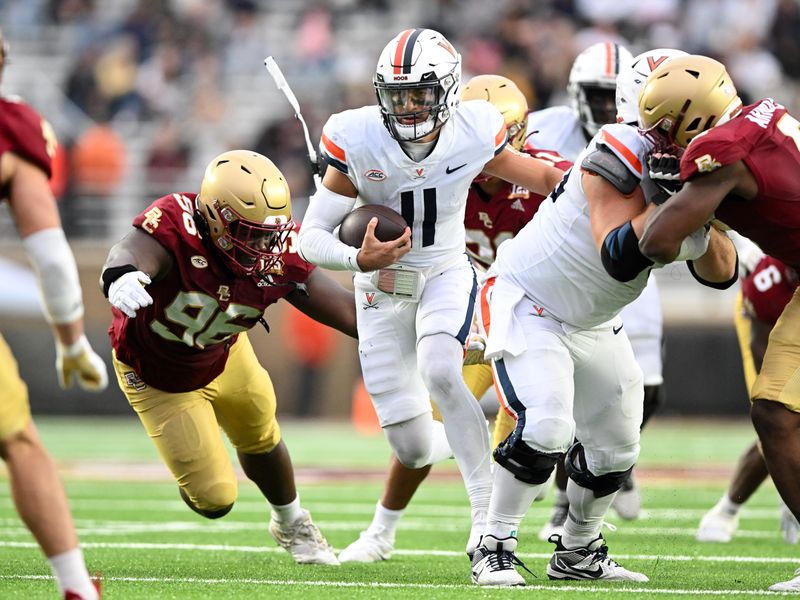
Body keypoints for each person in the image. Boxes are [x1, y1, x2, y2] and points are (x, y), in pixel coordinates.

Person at [298, 28, 564, 560]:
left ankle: (486, 520)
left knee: (442, 369)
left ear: (447, 89)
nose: (409, 106)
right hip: (379, 288)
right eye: (398, 96)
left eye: (420, 93)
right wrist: (357, 259)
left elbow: (540, 175)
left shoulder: (474, 128)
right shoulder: (357, 137)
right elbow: (309, 237)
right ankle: (486, 454)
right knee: (412, 446)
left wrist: (607, 190)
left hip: (444, 270)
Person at [469, 61, 738, 585]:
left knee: (618, 444)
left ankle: (577, 551)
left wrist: (698, 212)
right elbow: (616, 251)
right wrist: (674, 207)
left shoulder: (707, 170)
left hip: (596, 319)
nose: (715, 133)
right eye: (703, 121)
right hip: (533, 300)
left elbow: (721, 273)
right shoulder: (615, 147)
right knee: (546, 427)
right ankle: (492, 543)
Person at [100, 149, 357, 566]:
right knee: (215, 499)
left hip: (225, 353)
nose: (261, 245)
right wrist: (120, 275)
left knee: (262, 432)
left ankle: (292, 523)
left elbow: (347, 312)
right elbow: (130, 251)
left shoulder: (278, 247)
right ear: (215, 216)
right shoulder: (176, 223)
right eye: (248, 232)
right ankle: (187, 452)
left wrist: (415, 333)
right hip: (158, 374)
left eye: (266, 234)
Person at [636, 54, 800, 592]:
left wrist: (664, 197)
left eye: (665, 129)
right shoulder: (761, 116)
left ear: (695, 116)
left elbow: (655, 241)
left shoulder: (719, 150)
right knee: (776, 413)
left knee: (777, 414)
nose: (660, 142)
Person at [531, 43, 685, 537]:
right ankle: (564, 493)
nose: (600, 107)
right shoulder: (549, 127)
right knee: (562, 393)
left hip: (634, 267)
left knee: (648, 390)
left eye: (607, 97)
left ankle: (614, 463)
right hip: (570, 263)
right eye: (593, 96)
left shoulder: (667, 137)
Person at [0, 32, 106, 600]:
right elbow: (51, 258)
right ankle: (76, 590)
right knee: (18, 441)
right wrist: (71, 343)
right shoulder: (12, 128)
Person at [697, 252, 799, 544]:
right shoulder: (770, 281)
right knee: (776, 418)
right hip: (768, 321)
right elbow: (761, 349)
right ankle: (727, 509)